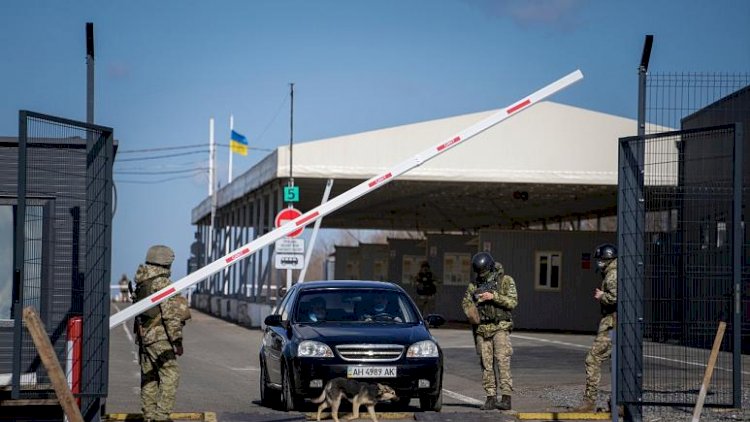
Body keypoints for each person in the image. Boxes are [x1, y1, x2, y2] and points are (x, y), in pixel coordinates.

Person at [133, 245, 184, 422]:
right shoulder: (162, 282)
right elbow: (170, 315)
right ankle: (161, 417)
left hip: (144, 336)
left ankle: (149, 416)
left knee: (149, 377)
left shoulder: (142, 280)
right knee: (171, 374)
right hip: (159, 337)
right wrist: (177, 340)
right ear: (166, 262)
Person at [461, 252, 517, 411]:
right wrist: (473, 306)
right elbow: (465, 303)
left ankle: (506, 398)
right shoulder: (474, 285)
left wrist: (493, 296)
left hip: (500, 326)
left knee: (502, 361)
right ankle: (490, 397)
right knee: (486, 364)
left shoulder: (505, 281)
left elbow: (512, 302)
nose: (481, 276)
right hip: (482, 329)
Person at [573, 243, 617, 412]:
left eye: (600, 260)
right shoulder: (614, 272)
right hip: (614, 322)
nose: (598, 263)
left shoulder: (613, 274)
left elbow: (615, 297)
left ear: (607, 259)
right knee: (617, 362)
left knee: (593, 358)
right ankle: (618, 403)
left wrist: (602, 296)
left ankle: (589, 401)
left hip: (612, 323)